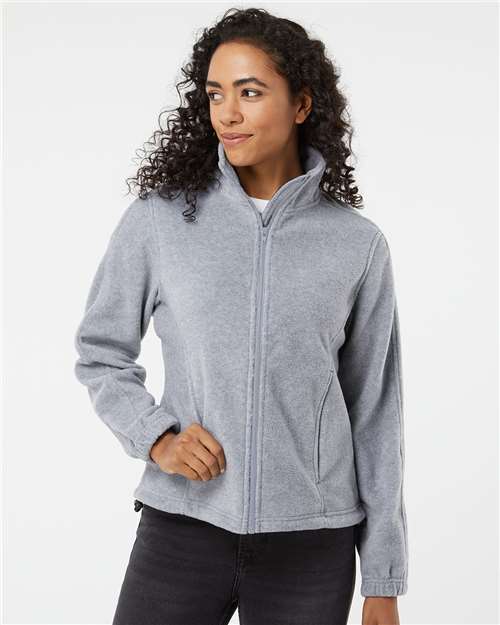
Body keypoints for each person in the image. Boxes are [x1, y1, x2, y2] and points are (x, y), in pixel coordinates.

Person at [74, 7, 409, 625]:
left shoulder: (356, 245)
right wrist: (157, 437)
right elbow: (100, 351)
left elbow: (375, 411)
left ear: (301, 104)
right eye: (215, 94)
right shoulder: (161, 220)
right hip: (184, 526)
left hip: (312, 544)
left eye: (250, 93)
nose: (227, 113)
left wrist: (383, 578)